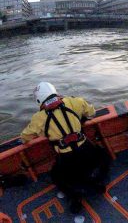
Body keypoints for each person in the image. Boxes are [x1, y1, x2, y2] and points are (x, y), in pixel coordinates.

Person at [21, 82, 110, 214]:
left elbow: (25, 137)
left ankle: (75, 197)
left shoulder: (38, 118)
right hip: (85, 150)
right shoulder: (74, 101)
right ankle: (97, 182)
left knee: (57, 176)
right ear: (55, 92)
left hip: (67, 158)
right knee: (103, 155)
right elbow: (91, 112)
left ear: (39, 99)